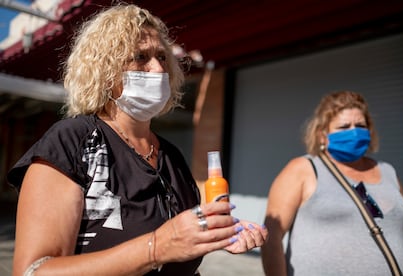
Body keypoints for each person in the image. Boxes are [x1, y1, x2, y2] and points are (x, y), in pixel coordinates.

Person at [7, 4, 267, 276]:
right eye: (140, 57)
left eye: (163, 58)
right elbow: (34, 271)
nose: (157, 69)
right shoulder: (74, 141)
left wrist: (213, 236)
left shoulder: (172, 156)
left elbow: (178, 254)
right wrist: (154, 248)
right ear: (104, 70)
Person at [261, 90, 403, 275]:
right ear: (322, 135)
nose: (354, 132)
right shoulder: (303, 169)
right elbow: (271, 236)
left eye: (360, 125)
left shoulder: (388, 171)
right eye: (343, 127)